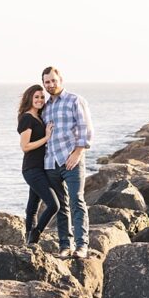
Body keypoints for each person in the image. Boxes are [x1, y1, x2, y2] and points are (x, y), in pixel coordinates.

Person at [41, 66, 94, 259]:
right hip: (51, 162)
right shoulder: (45, 107)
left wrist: (78, 152)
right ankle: (65, 246)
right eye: (47, 82)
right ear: (44, 84)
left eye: (53, 80)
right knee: (61, 206)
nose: (51, 84)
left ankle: (82, 246)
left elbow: (86, 128)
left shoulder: (75, 100)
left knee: (76, 201)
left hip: (72, 160)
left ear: (60, 80)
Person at [16, 85, 66, 248]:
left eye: (42, 97)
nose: (40, 100)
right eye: (36, 97)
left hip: (42, 167)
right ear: (30, 98)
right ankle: (35, 234)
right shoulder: (26, 118)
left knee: (33, 205)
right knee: (54, 205)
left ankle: (28, 239)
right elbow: (25, 146)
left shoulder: (39, 117)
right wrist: (46, 137)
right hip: (31, 169)